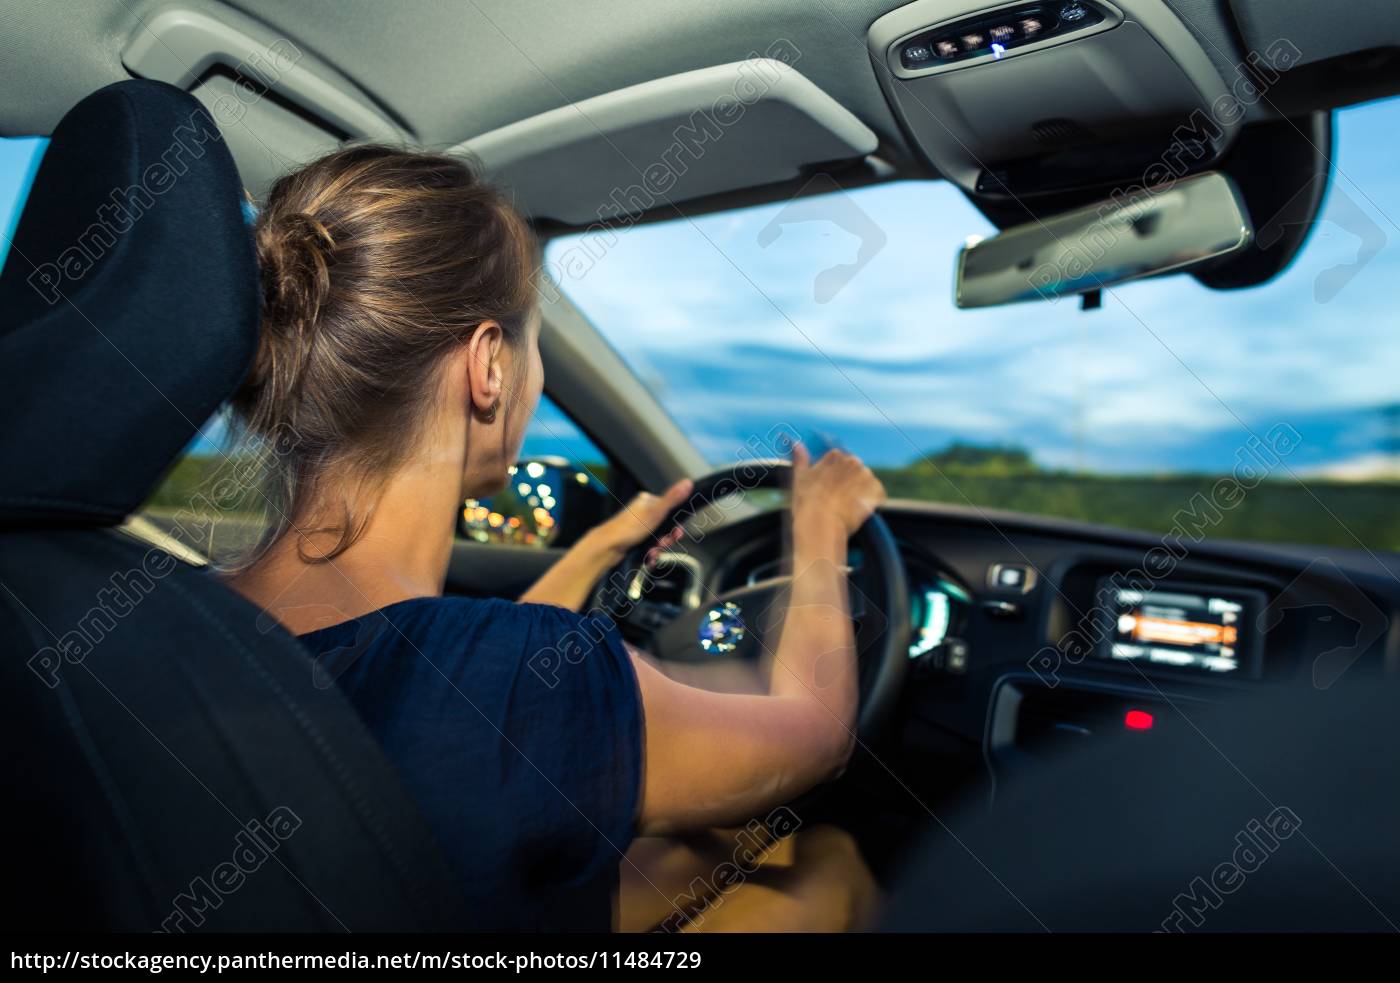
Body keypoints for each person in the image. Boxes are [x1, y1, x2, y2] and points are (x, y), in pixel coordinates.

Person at [226, 145, 885, 932]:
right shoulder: (512, 680)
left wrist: (598, 550)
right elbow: (817, 741)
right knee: (826, 862)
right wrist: (817, 536)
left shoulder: (188, 609)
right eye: (533, 339)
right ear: (489, 367)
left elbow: (447, 682)